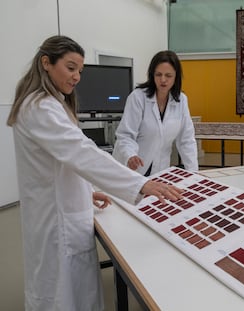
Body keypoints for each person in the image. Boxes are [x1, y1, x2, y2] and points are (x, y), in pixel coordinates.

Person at [6, 35, 182, 311]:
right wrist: (139, 185)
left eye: (80, 70)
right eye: (71, 67)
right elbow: (81, 152)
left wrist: (87, 191)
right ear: (46, 63)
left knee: (75, 287)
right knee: (58, 292)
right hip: (54, 218)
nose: (77, 76)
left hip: (67, 209)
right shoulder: (40, 107)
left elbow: (63, 160)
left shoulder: (52, 104)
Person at [112, 50, 198, 176]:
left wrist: (193, 172)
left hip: (159, 170)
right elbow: (126, 135)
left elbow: (186, 140)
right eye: (158, 74)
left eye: (168, 75)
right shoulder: (138, 97)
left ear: (176, 77)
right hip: (131, 169)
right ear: (152, 75)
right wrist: (131, 155)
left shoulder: (181, 100)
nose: (163, 80)